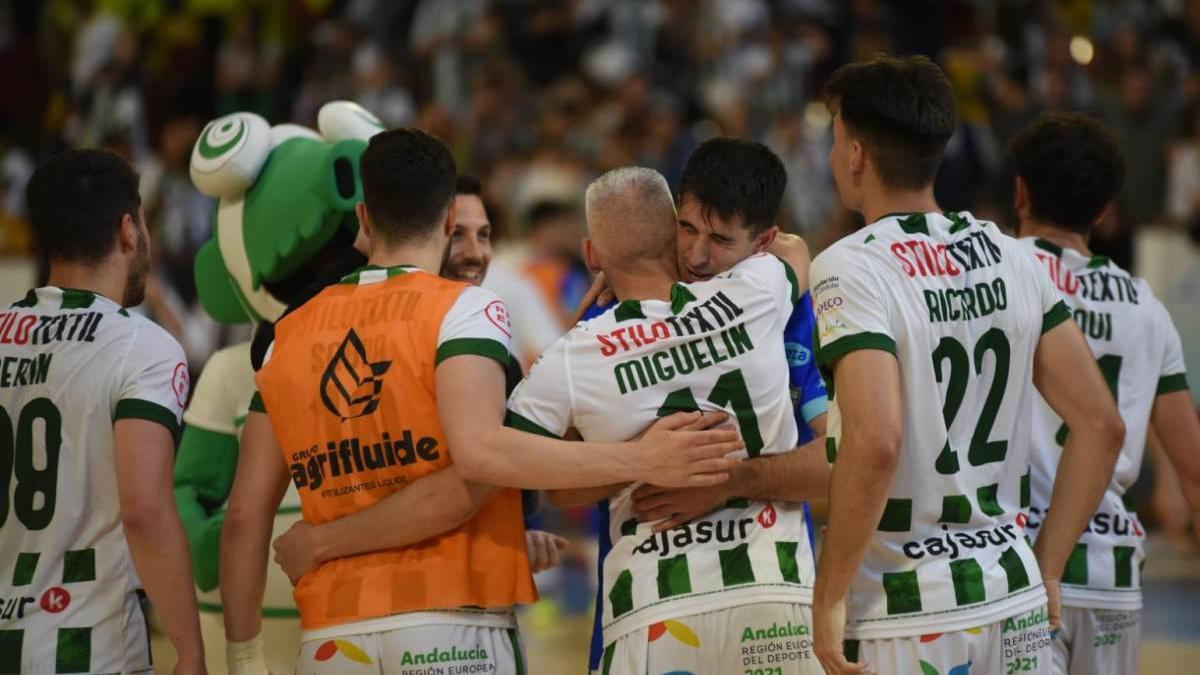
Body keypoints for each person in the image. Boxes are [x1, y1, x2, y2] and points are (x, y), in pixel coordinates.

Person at [218, 130, 742, 674]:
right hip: (453, 622)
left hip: (331, 634)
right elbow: (478, 461)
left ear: (364, 218)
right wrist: (641, 459)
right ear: (448, 218)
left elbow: (244, 516)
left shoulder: (286, 335)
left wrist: (243, 657)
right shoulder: (466, 309)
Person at [808, 55, 1126, 675]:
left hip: (905, 612)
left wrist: (829, 595)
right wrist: (1050, 564)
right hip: (1013, 596)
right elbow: (1101, 424)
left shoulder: (851, 265)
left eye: (835, 141)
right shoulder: (1013, 255)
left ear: (855, 155)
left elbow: (875, 440)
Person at [510, 166, 821, 674]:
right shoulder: (756, 291)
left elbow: (520, 463)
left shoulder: (575, 353)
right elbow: (794, 250)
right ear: (674, 235)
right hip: (775, 593)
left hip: (653, 609)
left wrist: (640, 462)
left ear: (592, 256)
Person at [270, 174, 569, 582]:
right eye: (456, 233)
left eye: (484, 235)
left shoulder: (488, 329)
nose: (474, 253)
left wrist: (512, 533)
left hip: (454, 594)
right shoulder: (350, 331)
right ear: (430, 230)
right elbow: (451, 490)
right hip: (396, 599)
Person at [0, 149, 204, 673]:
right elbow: (145, 510)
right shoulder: (144, 346)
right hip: (89, 645)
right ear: (128, 230)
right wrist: (190, 649)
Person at [1011, 111, 1200, 675]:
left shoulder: (999, 270)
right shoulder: (1146, 304)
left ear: (1020, 192)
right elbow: (1193, 466)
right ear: (1103, 211)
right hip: (1112, 576)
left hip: (1019, 569)